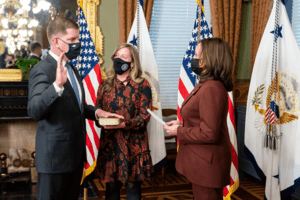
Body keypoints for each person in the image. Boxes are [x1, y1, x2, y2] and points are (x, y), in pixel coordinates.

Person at [27, 16, 123, 200]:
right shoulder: (41, 69)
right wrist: (56, 86)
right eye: (72, 40)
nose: (77, 44)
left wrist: (96, 112)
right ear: (56, 41)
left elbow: (75, 106)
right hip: (54, 161)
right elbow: (34, 111)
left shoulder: (72, 69)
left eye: (78, 39)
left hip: (75, 158)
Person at [163, 38, 233, 200]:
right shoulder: (207, 84)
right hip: (202, 162)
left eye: (196, 55)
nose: (193, 59)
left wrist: (178, 131)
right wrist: (182, 124)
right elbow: (203, 120)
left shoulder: (211, 88)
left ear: (209, 58)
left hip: (208, 165)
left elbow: (209, 133)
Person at [95, 43, 153, 200]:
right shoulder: (104, 85)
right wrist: (102, 121)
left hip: (133, 146)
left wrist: (123, 124)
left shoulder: (142, 85)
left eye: (124, 57)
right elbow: (97, 114)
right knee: (111, 189)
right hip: (111, 145)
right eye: (117, 56)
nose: (119, 60)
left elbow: (144, 117)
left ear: (132, 63)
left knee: (133, 188)